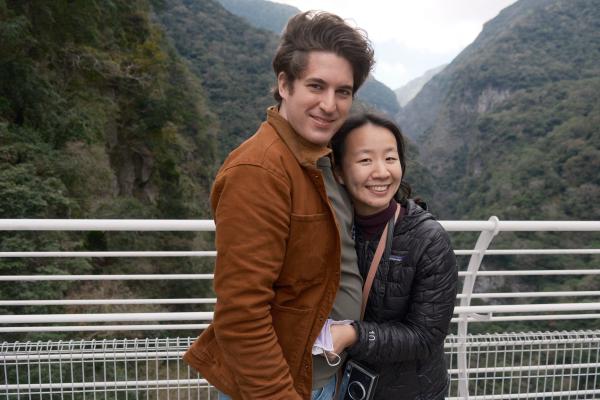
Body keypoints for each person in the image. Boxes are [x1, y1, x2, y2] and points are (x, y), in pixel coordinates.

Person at [183, 11, 375, 400]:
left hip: (326, 373)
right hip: (283, 385)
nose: (329, 104)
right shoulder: (260, 171)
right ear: (284, 84)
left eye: (343, 91)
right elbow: (241, 315)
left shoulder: (322, 159)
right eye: (316, 86)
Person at [330, 113, 458, 400]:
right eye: (365, 160)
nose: (381, 172)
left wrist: (354, 335)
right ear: (338, 171)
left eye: (390, 159)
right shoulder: (330, 228)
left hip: (410, 391)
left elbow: (426, 336)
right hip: (343, 385)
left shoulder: (428, 239)